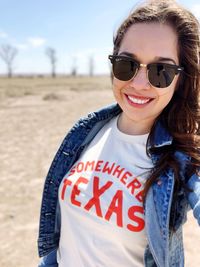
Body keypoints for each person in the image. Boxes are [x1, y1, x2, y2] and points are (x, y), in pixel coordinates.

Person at [37, 0, 200, 266]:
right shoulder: (87, 132)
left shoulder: (184, 157)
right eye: (127, 64)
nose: (138, 84)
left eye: (161, 71)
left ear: (181, 78)